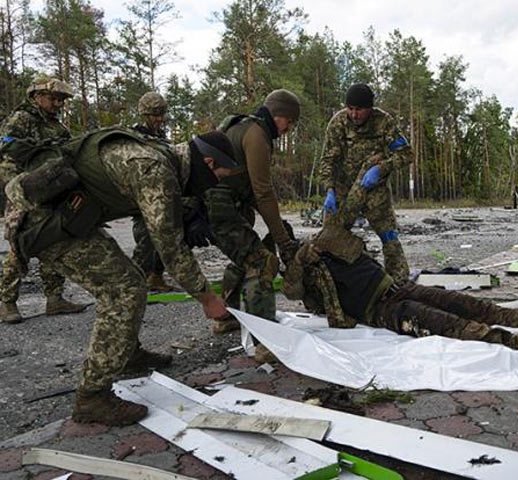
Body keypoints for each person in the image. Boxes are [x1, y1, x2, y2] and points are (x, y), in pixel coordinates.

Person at [4, 128, 238, 426]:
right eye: (220, 175)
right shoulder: (155, 168)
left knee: (131, 281)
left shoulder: (163, 156)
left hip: (65, 212)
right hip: (42, 221)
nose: (217, 183)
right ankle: (93, 398)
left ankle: (125, 353)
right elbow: (169, 244)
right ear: (207, 163)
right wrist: (207, 297)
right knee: (124, 290)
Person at [282, 224, 518, 350]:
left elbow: (353, 241)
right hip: (381, 310)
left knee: (466, 303)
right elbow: (291, 292)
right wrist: (297, 261)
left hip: (398, 287)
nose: (301, 246)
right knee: (445, 322)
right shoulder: (302, 275)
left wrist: (321, 242)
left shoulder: (324, 244)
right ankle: (516, 341)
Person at [209, 89, 301, 334]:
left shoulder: (241, 125)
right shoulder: (257, 134)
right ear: (277, 115)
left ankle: (226, 317)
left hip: (224, 203)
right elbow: (263, 192)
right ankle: (266, 340)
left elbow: (247, 186)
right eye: (289, 121)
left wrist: (279, 228)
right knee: (260, 261)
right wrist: (283, 240)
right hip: (219, 205)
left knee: (243, 257)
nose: (288, 128)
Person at [0, 75, 87, 323]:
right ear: (37, 97)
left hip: (50, 190)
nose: (58, 104)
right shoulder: (22, 119)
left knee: (52, 239)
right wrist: (40, 147)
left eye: (61, 100)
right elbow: (6, 145)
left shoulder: (58, 127)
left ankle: (55, 298)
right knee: (21, 242)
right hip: (22, 190)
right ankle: (7, 302)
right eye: (54, 98)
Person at [319, 83, 411, 283]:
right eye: (350, 108)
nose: (354, 114)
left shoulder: (384, 122)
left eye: (359, 109)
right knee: (330, 237)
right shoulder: (338, 123)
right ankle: (330, 282)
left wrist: (381, 168)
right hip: (342, 189)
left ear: (369, 108)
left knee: (388, 236)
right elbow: (328, 160)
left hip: (373, 188)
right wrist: (329, 189)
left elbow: (406, 154)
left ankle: (399, 282)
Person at [130, 92, 173, 292]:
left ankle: (156, 276)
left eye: (161, 114)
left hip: (162, 196)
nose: (159, 119)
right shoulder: (133, 137)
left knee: (165, 240)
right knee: (145, 241)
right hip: (142, 198)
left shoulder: (161, 137)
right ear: (144, 114)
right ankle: (134, 284)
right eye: (155, 114)